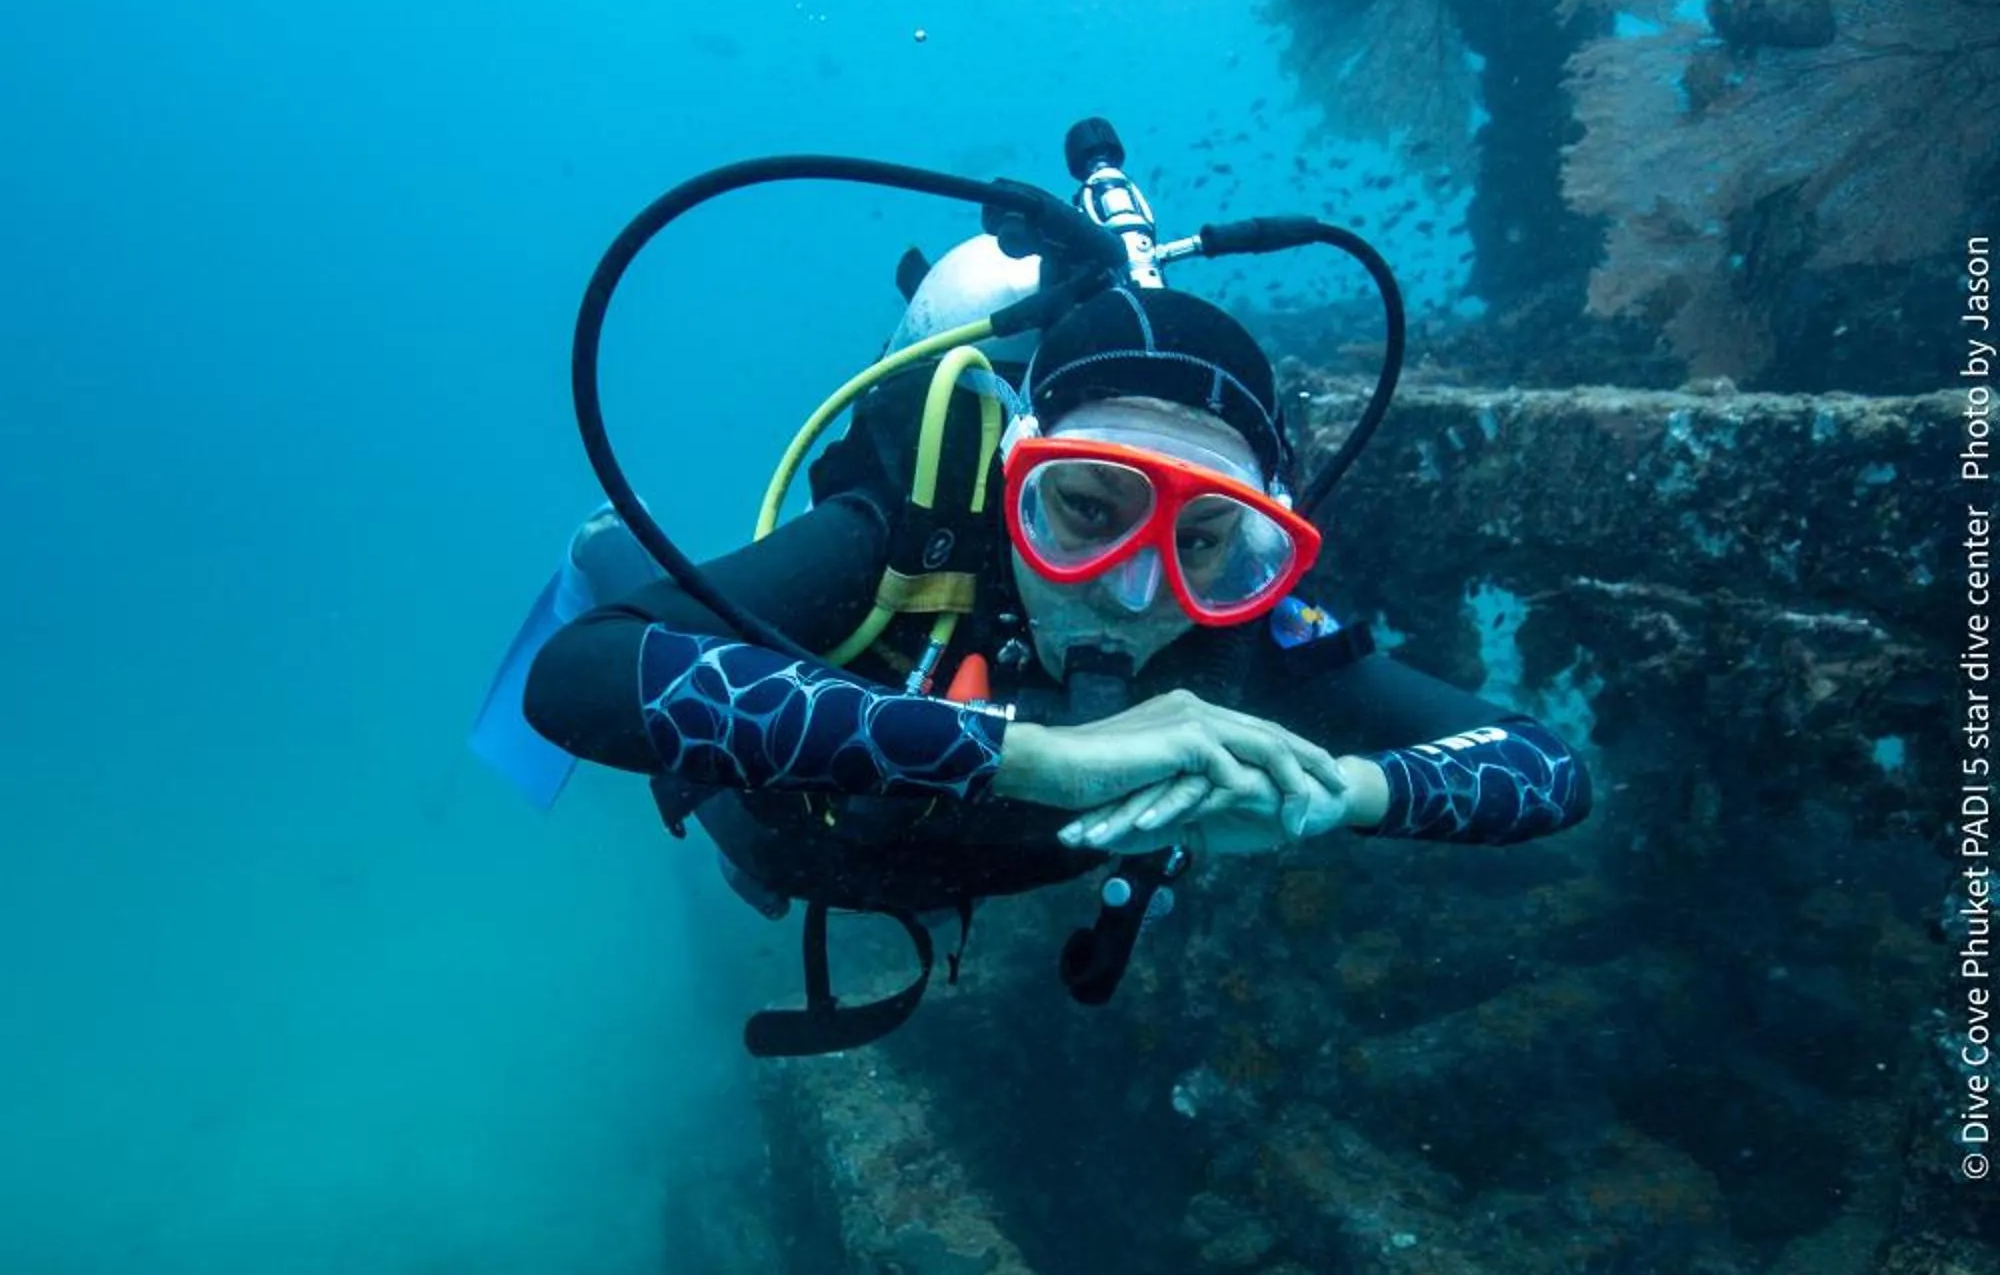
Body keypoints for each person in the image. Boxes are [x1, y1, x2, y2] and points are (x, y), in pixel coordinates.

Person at [519, 277, 1591, 1047]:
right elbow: (578, 676)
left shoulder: (1243, 623)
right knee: (703, 699)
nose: (1134, 591)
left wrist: (1333, 793)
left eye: (1203, 536)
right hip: (787, 824)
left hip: (938, 852)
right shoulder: (903, 538)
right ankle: (609, 540)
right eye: (1086, 510)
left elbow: (1545, 766)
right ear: (1015, 475)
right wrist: (1026, 758)